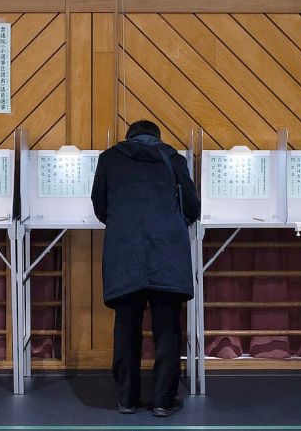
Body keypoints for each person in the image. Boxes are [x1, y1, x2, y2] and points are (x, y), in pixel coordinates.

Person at [90, 120, 201, 417]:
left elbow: (99, 206)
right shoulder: (173, 158)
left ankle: (127, 399)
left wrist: (125, 222)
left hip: (125, 251)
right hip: (167, 251)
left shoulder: (109, 159)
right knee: (167, 328)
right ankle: (163, 400)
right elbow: (192, 206)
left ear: (129, 137)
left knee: (127, 326)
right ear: (157, 138)